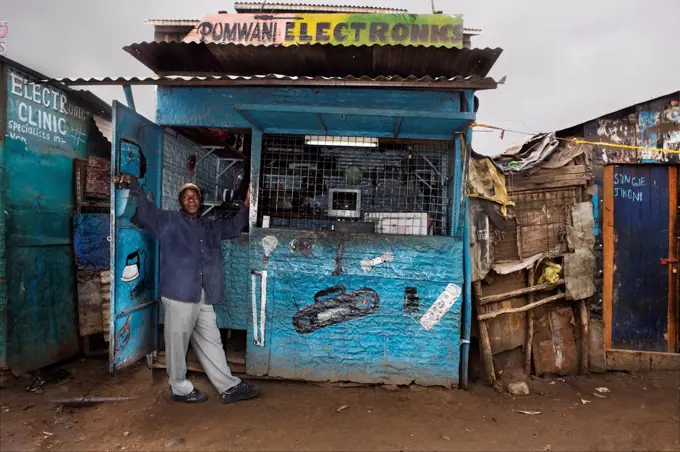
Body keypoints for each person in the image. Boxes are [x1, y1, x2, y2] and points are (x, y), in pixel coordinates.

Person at [113, 173, 260, 404]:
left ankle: (228, 386)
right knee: (177, 342)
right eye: (186, 196)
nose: (191, 200)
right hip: (179, 293)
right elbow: (144, 211)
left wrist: (245, 204)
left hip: (203, 293)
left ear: (200, 201)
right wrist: (134, 183)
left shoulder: (208, 226)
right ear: (181, 201)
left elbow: (233, 226)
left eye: (195, 196)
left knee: (212, 340)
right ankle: (180, 388)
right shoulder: (167, 220)